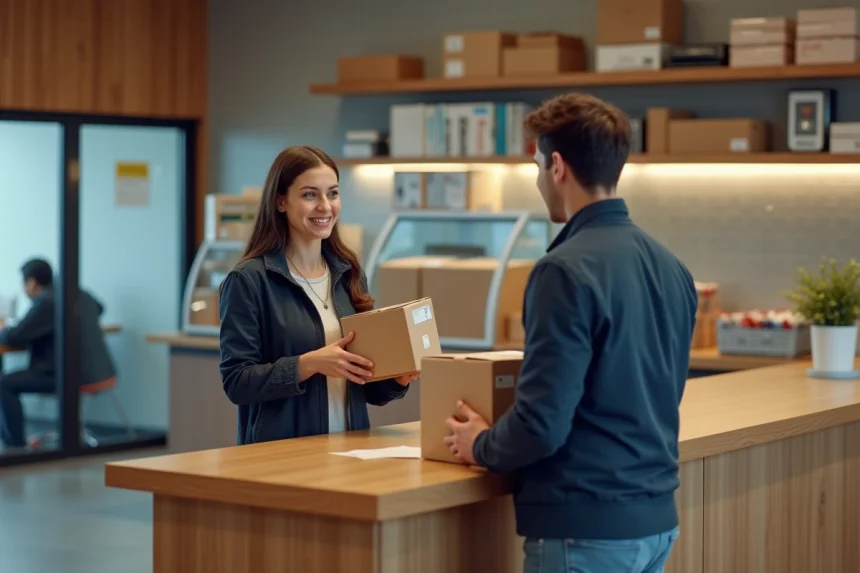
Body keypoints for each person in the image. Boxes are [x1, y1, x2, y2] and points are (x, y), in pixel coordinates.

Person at [443, 94, 698, 573]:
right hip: (656, 523)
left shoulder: (562, 270)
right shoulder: (671, 266)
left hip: (585, 530)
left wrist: (480, 443)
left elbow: (543, 423)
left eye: (538, 164)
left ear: (556, 166)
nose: (540, 178)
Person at [218, 145, 417, 445]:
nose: (325, 206)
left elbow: (363, 384)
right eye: (310, 194)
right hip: (282, 454)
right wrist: (308, 364)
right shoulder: (248, 281)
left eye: (333, 193)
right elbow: (237, 383)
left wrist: (397, 380)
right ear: (281, 201)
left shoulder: (348, 273)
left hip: (350, 448)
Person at [0, 258, 116, 449]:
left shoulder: (46, 302)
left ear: (31, 282)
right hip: (101, 371)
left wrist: (3, 328)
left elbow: (15, 336)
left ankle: (15, 446)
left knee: (4, 384)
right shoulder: (76, 293)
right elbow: (101, 308)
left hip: (67, 376)